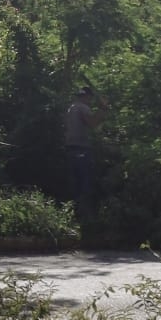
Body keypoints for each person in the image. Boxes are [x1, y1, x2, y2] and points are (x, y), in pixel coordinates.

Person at [64, 85, 106, 221]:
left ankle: (74, 216)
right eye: (90, 98)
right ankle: (86, 219)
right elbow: (93, 123)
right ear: (87, 96)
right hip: (81, 149)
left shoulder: (72, 107)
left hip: (70, 148)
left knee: (75, 183)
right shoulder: (82, 107)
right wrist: (102, 109)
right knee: (85, 183)